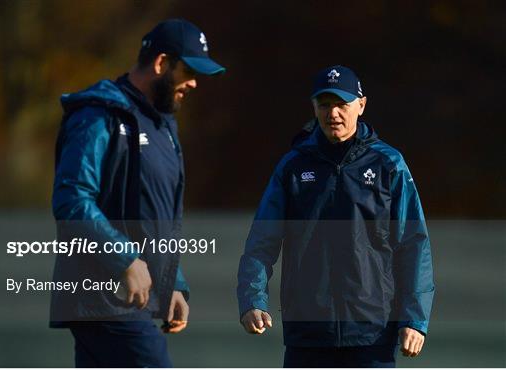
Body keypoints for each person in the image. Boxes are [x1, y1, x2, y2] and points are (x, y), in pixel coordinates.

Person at [50, 19, 225, 367]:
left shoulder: (163, 127)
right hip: (105, 296)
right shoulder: (100, 115)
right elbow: (71, 200)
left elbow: (159, 215)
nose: (193, 83)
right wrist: (125, 259)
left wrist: (172, 282)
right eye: (188, 71)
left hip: (133, 300)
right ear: (161, 63)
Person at [237, 65, 434, 367]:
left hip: (373, 335)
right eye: (325, 104)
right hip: (308, 335)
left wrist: (415, 319)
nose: (334, 113)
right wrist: (252, 300)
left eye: (342, 104)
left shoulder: (388, 164)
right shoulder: (293, 166)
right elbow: (262, 242)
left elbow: (413, 244)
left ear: (361, 105)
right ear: (313, 107)